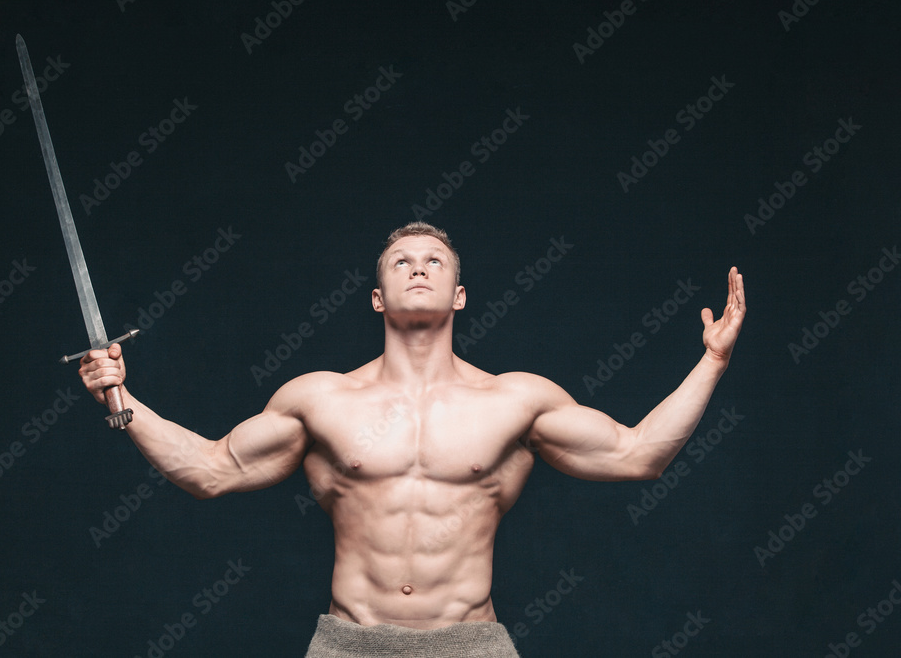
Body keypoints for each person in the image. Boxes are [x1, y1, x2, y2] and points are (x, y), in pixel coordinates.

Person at [79, 221, 746, 657]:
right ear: (376, 297)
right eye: (402, 261)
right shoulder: (321, 398)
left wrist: (711, 361)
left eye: (434, 261)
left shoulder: (516, 398)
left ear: (460, 294)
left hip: (471, 642)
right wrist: (123, 399)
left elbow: (639, 454)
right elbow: (212, 469)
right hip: (350, 643)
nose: (419, 268)